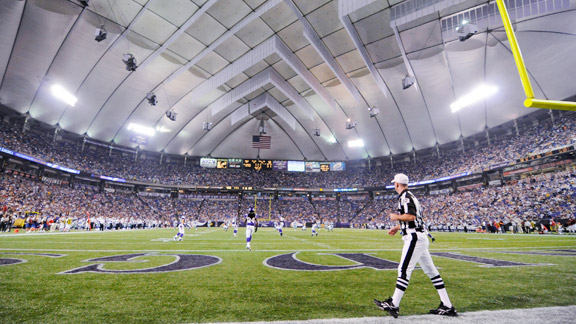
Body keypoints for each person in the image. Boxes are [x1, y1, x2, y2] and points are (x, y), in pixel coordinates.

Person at [374, 173, 457, 318]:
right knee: (432, 272)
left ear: (397, 184)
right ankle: (447, 305)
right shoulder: (411, 196)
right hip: (418, 235)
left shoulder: (405, 197)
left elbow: (411, 216)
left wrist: (396, 217)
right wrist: (398, 227)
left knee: (404, 269)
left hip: (414, 238)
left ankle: (394, 303)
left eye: (395, 184)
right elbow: (415, 219)